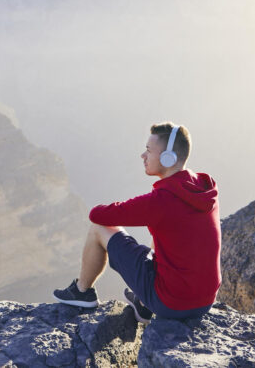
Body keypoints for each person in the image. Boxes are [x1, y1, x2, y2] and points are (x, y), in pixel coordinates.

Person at [53, 122, 221, 323]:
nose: (143, 156)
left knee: (99, 229)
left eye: (149, 151)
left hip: (172, 303)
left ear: (168, 158)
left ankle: (82, 292)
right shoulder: (204, 187)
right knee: (163, 235)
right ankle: (143, 304)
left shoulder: (162, 201)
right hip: (204, 302)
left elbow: (97, 215)